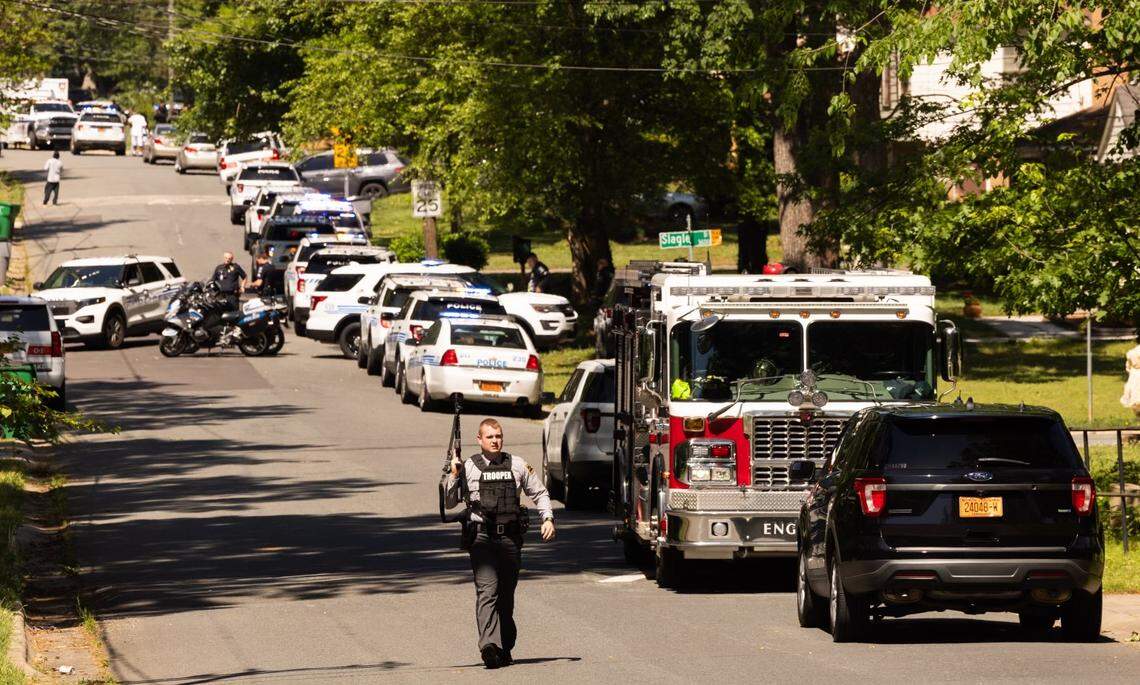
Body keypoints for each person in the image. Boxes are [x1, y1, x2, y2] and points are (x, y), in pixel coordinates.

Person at [445, 418, 555, 669]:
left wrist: (547, 518)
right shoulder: (469, 467)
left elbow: (539, 493)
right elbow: (450, 503)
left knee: (505, 595)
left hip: (509, 539)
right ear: (479, 439)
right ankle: (489, 647)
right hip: (481, 538)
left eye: (499, 436)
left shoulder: (516, 465)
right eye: (490, 436)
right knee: (487, 591)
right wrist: (454, 474)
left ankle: (504, 644)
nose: (495, 440)